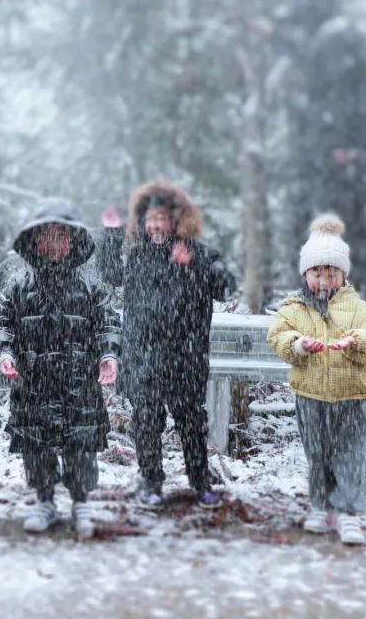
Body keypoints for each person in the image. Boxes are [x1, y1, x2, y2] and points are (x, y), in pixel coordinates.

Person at [97, 181, 236, 509]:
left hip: (186, 359)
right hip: (144, 358)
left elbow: (227, 287)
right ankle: (151, 484)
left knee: (191, 424)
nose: (156, 226)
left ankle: (201, 485)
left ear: (176, 220)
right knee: (146, 423)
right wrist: (113, 233)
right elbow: (111, 273)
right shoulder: (139, 256)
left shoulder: (199, 253)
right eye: (149, 219)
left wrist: (197, 265)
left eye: (161, 218)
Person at [0, 198, 120, 538]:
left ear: (73, 242)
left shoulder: (90, 286)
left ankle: (81, 502)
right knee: (36, 445)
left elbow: (108, 324)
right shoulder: (19, 286)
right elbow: (2, 322)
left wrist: (109, 356)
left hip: (79, 383)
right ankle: (44, 500)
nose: (53, 244)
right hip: (33, 383)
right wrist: (5, 352)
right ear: (33, 242)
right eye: (45, 237)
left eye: (61, 237)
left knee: (81, 445)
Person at [266, 214, 366, 545]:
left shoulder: (360, 308)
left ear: (342, 275)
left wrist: (356, 341)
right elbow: (278, 336)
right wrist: (299, 346)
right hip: (310, 394)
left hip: (350, 396)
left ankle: (348, 512)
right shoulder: (293, 308)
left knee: (350, 454)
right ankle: (321, 505)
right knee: (317, 454)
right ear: (305, 274)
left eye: (331, 273)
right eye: (316, 272)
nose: (323, 280)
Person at [270, 0, 366, 296]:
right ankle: (344, 295)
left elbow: (335, 88)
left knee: (327, 224)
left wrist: (343, 144)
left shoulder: (336, 39)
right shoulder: (336, 38)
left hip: (336, 154)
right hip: (338, 152)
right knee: (336, 223)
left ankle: (341, 297)